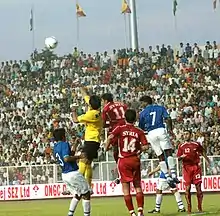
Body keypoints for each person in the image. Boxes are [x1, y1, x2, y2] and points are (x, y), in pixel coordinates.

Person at [105, 109, 148, 216]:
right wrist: (139, 150)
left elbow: (110, 137)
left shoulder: (120, 129)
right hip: (135, 159)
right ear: (135, 119)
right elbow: (146, 146)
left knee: (126, 188)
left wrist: (106, 147)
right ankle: (140, 211)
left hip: (123, 160)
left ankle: (132, 213)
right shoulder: (139, 131)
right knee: (137, 185)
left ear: (125, 118)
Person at [139, 95, 179, 188]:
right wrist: (170, 129)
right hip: (161, 130)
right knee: (168, 152)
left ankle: (167, 177)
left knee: (160, 156)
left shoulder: (142, 113)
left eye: (142, 103)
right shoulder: (160, 108)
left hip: (151, 133)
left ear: (146, 102)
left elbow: (141, 127)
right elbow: (168, 118)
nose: (142, 105)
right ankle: (173, 174)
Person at [53, 128, 91, 216]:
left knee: (78, 194)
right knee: (86, 194)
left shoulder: (55, 147)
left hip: (65, 174)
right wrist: (80, 156)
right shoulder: (64, 144)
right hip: (72, 173)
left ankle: (70, 214)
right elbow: (66, 158)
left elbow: (68, 155)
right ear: (63, 136)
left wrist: (75, 144)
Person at [72, 87, 102, 190]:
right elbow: (86, 96)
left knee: (82, 161)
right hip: (95, 141)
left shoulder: (91, 114)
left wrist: (73, 110)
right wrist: (81, 88)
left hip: (91, 140)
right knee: (88, 164)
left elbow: (75, 120)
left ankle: (77, 185)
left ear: (91, 105)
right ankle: (89, 187)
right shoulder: (96, 110)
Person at [177, 130, 210, 214]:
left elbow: (202, 152)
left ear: (191, 135)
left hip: (196, 168)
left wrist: (207, 161)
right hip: (187, 169)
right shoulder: (181, 146)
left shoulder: (196, 144)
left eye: (187, 134)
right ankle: (189, 209)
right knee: (187, 189)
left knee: (198, 188)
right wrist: (181, 157)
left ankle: (199, 208)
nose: (185, 135)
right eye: (184, 134)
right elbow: (178, 158)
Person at [101, 93, 128, 183]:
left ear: (105, 100)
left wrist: (108, 124)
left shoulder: (106, 108)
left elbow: (103, 124)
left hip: (117, 129)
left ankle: (121, 174)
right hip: (127, 127)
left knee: (117, 151)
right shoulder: (122, 104)